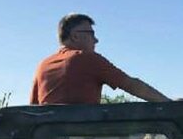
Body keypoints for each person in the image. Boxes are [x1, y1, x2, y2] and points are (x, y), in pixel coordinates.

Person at [30, 13, 172, 105]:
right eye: (91, 34)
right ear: (75, 36)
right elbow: (131, 85)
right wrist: (169, 104)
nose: (96, 40)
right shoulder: (87, 59)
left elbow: (33, 110)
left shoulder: (42, 66)